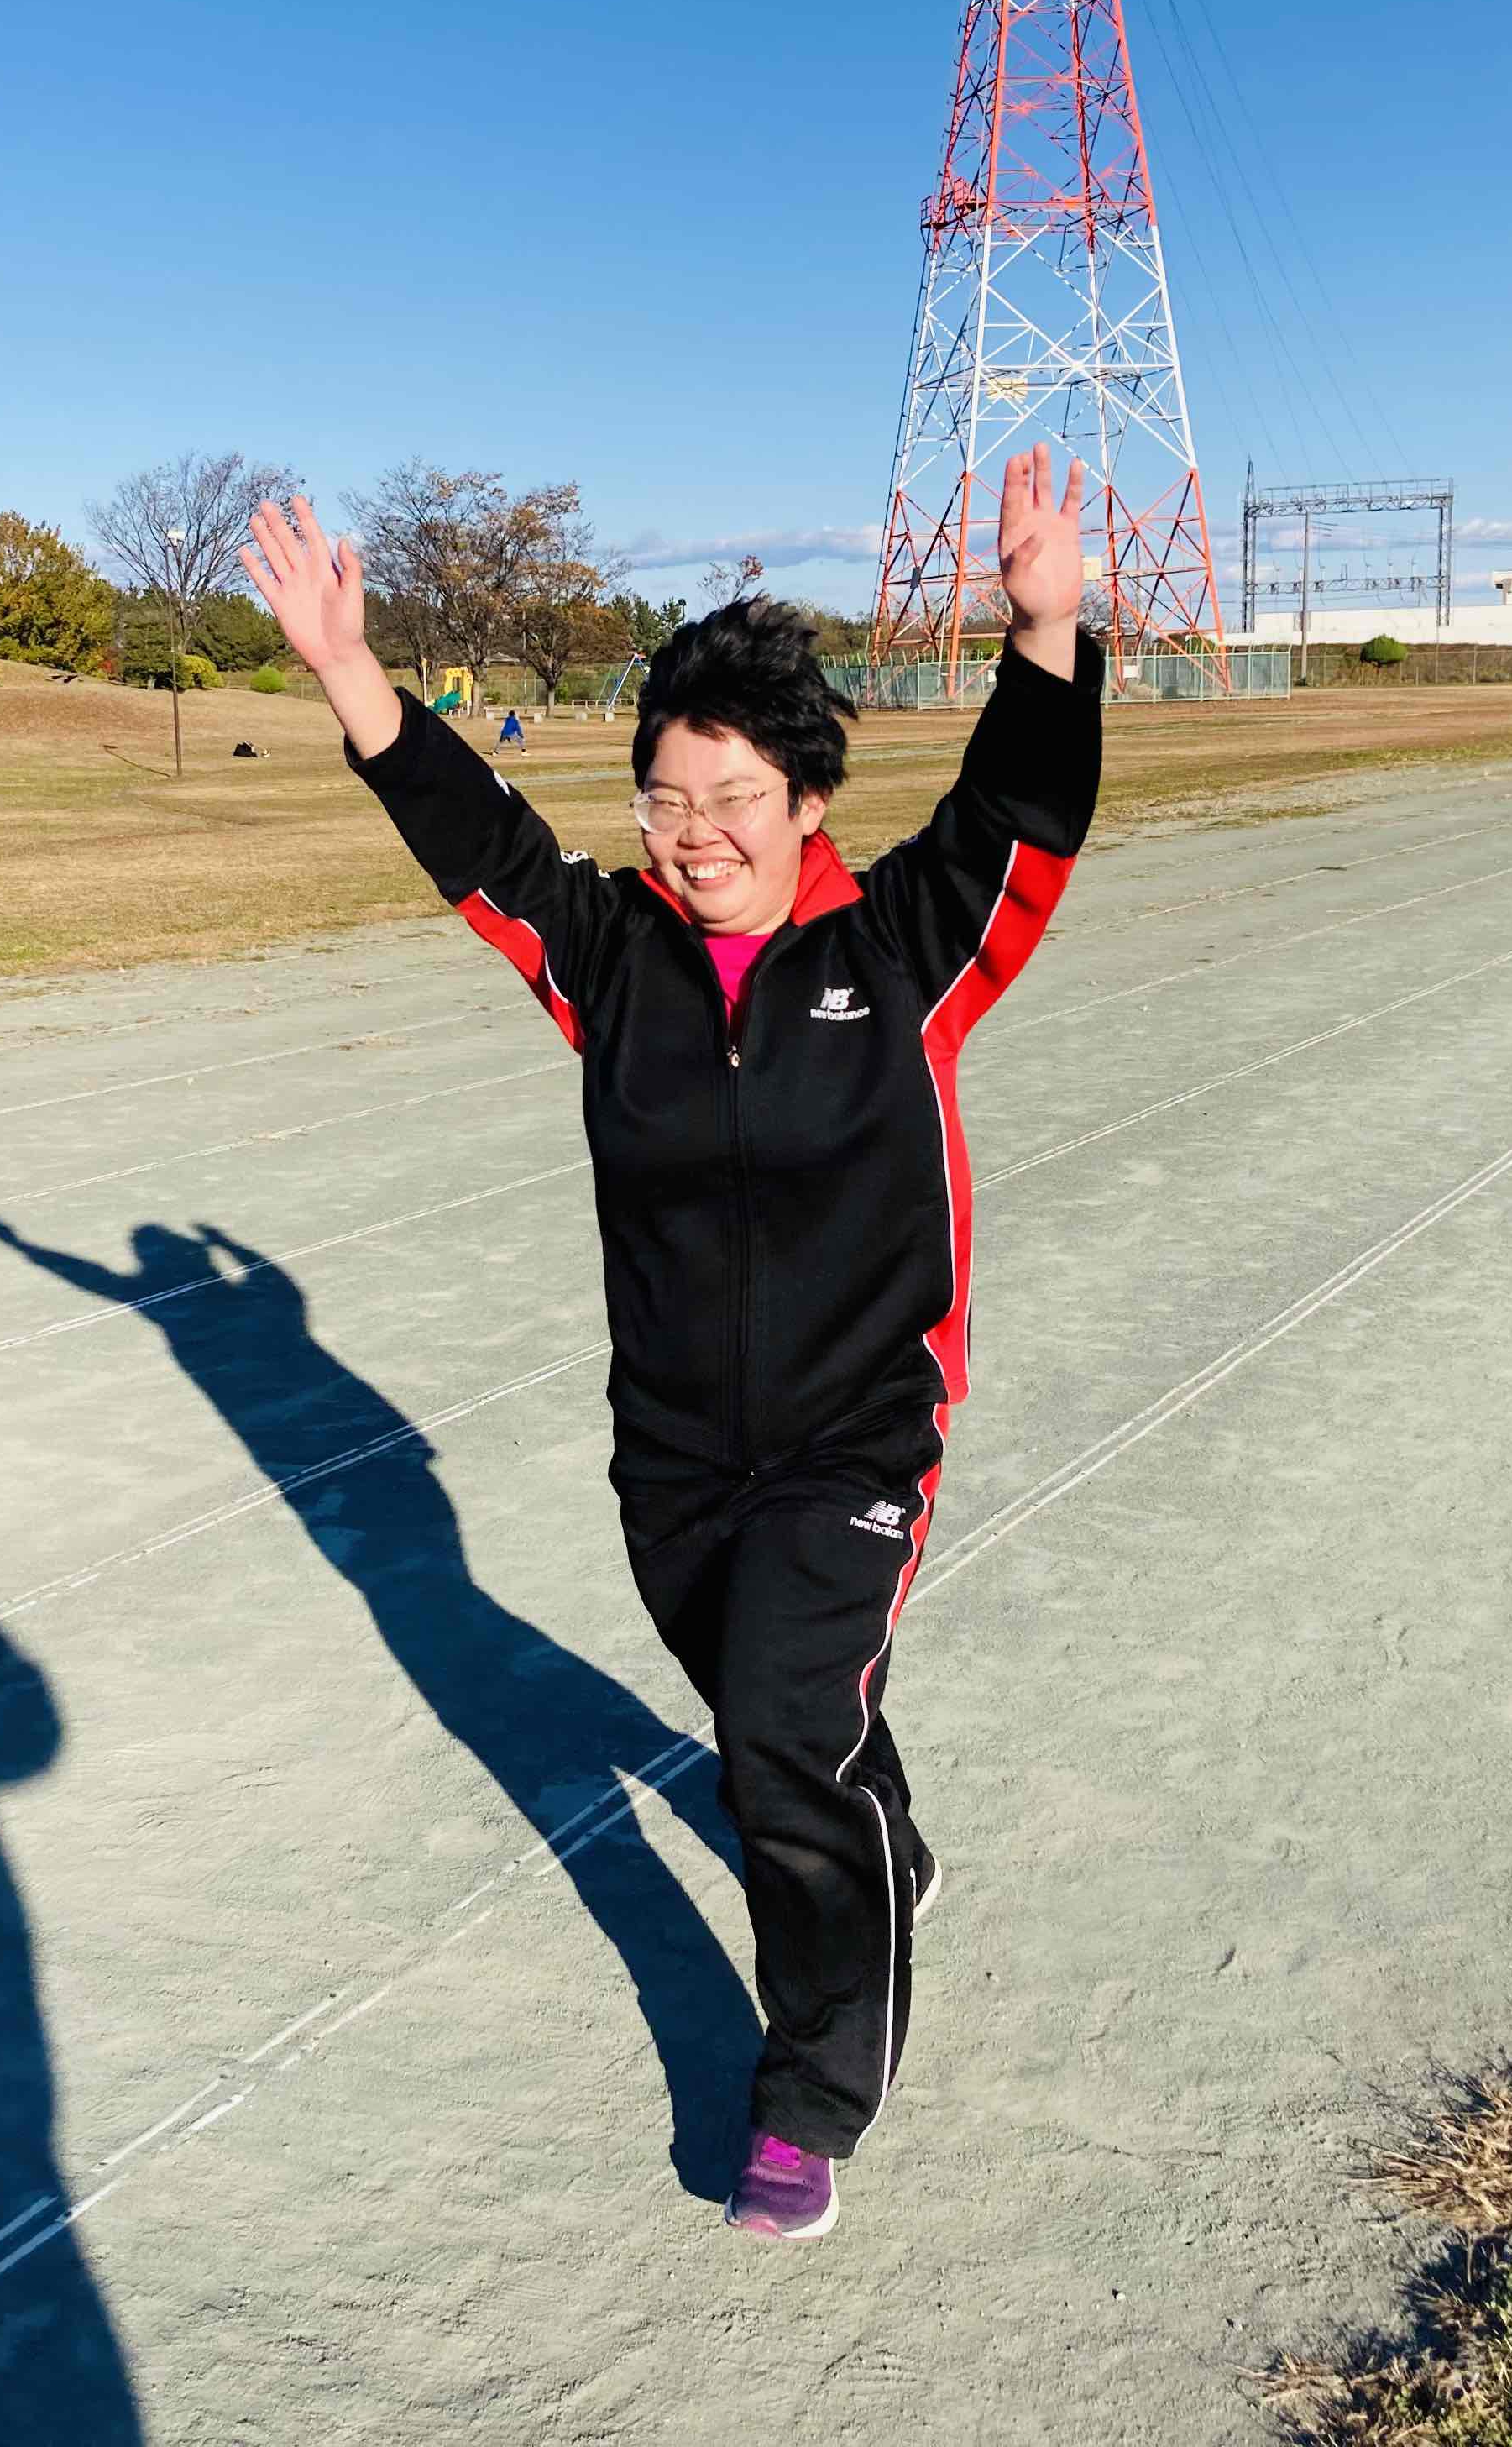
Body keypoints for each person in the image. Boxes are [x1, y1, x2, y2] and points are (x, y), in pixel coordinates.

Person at [245, 444, 1101, 2240]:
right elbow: (478, 838)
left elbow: (1020, 816)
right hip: (674, 1457)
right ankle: (891, 1849)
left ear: (804, 801)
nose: (691, 830)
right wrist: (350, 680)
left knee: (779, 1737)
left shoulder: (912, 944)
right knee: (783, 1724)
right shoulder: (609, 957)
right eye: (661, 795)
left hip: (864, 1429)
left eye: (730, 793)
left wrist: (1046, 634)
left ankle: (807, 2095)